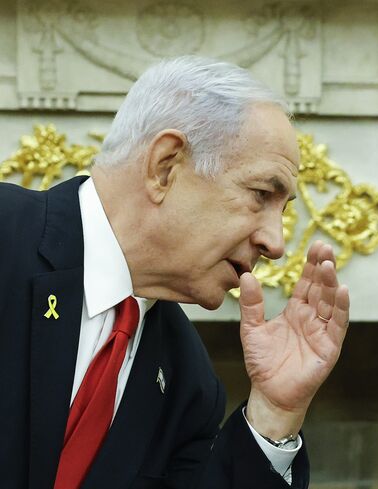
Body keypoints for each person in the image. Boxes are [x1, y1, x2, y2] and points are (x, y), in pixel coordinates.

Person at [0, 56, 350, 489]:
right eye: (261, 194)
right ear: (165, 167)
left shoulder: (191, 382)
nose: (276, 244)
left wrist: (276, 413)